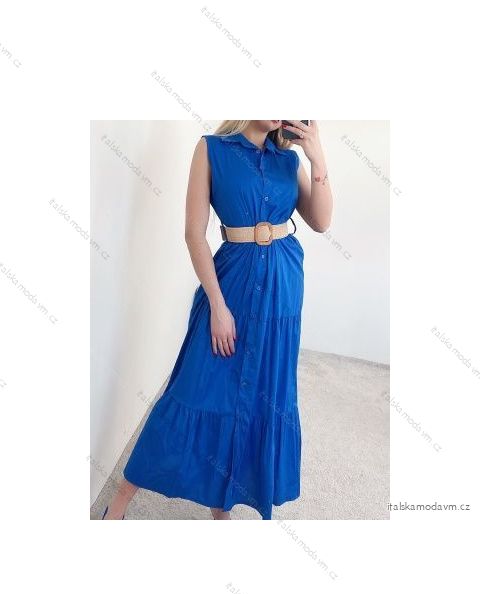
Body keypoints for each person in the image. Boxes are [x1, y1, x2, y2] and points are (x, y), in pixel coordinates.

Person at [102, 120, 332, 520]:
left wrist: (317, 156)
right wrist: (218, 306)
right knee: (194, 392)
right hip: (230, 289)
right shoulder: (211, 150)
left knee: (259, 400)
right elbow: (194, 233)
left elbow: (322, 221)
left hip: (282, 293)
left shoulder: (289, 160)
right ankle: (119, 502)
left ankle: (220, 506)